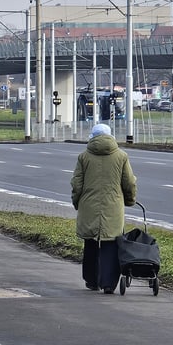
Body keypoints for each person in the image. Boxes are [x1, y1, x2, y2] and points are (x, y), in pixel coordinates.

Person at [70, 123, 137, 294]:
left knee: (90, 243)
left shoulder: (84, 157)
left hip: (88, 205)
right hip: (113, 206)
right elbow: (129, 182)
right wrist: (129, 200)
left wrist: (77, 202)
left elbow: (77, 184)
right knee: (111, 244)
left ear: (92, 136)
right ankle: (108, 284)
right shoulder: (121, 156)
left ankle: (91, 281)